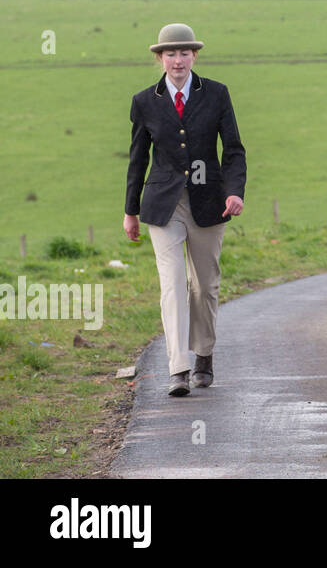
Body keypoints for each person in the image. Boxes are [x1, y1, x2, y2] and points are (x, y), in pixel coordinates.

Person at [123, 24, 246, 396]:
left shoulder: (217, 94)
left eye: (184, 53)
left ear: (194, 56)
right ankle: (177, 367)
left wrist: (234, 192)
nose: (178, 60)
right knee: (172, 283)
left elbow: (234, 149)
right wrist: (130, 211)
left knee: (204, 285)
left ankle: (203, 356)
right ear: (160, 59)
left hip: (209, 201)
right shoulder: (144, 101)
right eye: (170, 54)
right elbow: (138, 158)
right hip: (163, 204)